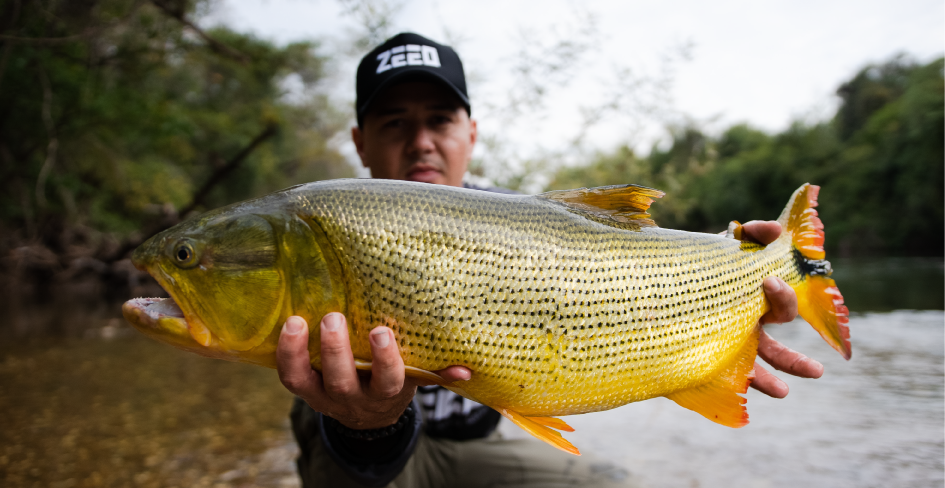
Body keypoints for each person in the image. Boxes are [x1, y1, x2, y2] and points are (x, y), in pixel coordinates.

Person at [275, 33, 823, 488]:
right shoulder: (324, 220)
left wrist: (730, 281)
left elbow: (622, 275)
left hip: (480, 448)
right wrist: (367, 428)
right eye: (394, 122)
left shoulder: (521, 222)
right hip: (361, 461)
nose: (420, 141)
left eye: (439, 120)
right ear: (360, 143)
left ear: (471, 132)